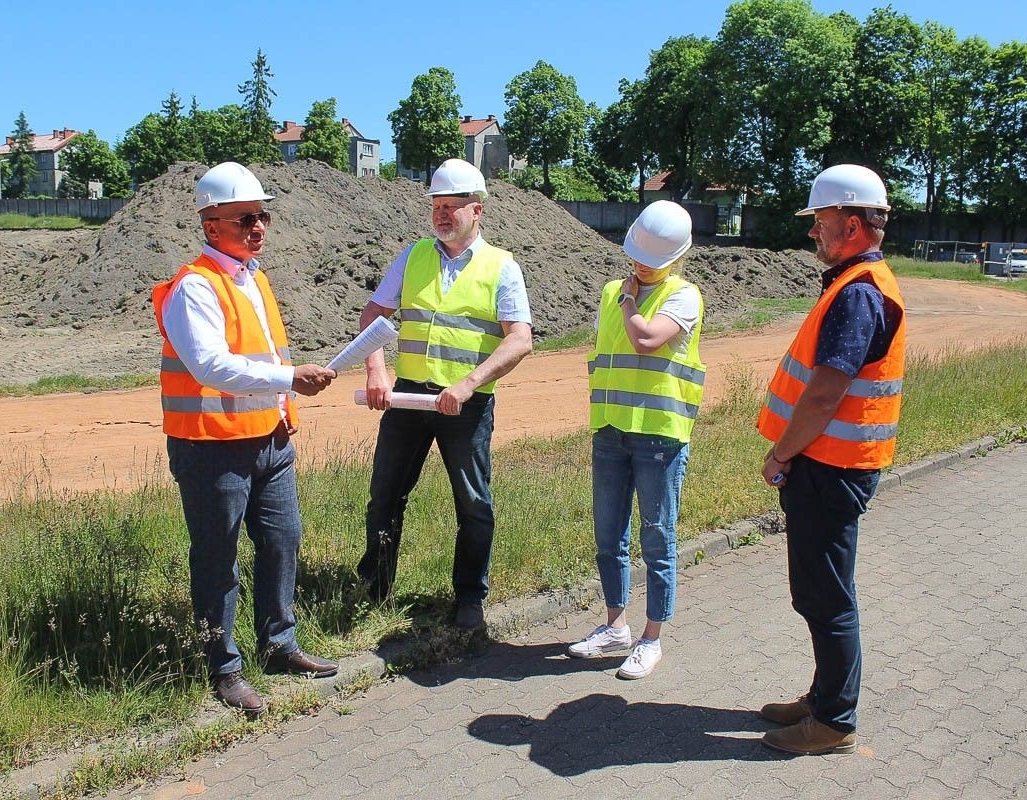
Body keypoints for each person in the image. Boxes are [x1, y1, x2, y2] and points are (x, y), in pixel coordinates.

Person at [153, 162, 340, 716]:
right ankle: (224, 667)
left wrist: (284, 396)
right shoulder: (195, 287)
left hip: (270, 440)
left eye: (262, 216)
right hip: (213, 446)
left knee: (284, 540)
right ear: (211, 225)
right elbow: (210, 366)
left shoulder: (252, 277)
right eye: (244, 219)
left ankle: (279, 645)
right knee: (218, 558)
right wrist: (290, 379)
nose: (258, 227)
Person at [757, 164, 906, 755]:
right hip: (831, 465)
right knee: (820, 591)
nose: (813, 233)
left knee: (827, 597)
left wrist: (781, 454)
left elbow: (824, 393)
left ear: (850, 223)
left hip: (830, 468)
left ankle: (834, 722)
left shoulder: (860, 294)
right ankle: (822, 699)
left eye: (818, 221)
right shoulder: (856, 283)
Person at [356, 158, 533, 629]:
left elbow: (520, 338)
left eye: (452, 206)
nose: (441, 213)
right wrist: (376, 369)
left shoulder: (502, 267)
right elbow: (374, 314)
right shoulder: (413, 256)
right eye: (437, 204)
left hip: (466, 404)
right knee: (384, 497)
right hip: (409, 398)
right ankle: (374, 588)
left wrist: (469, 383)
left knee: (474, 504)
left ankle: (470, 598)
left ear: (478, 210)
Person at [567, 201, 705, 680]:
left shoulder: (683, 296)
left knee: (657, 538)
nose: (643, 264)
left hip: (659, 438)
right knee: (609, 536)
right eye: (638, 255)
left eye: (655, 257)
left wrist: (630, 300)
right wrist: (623, 297)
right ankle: (614, 627)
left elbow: (647, 340)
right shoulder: (610, 292)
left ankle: (652, 638)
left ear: (678, 256)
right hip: (610, 431)